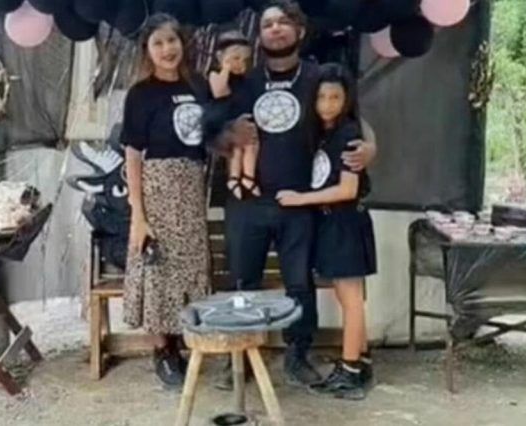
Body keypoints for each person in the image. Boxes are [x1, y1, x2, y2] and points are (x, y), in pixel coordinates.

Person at [205, 0, 377, 387]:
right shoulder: (243, 80)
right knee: (244, 282)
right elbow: (210, 134)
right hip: (247, 203)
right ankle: (239, 359)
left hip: (298, 203)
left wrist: (371, 149)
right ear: (259, 35)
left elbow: (355, 122)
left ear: (300, 31)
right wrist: (229, 134)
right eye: (267, 23)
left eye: (284, 22)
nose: (275, 28)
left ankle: (298, 355)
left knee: (299, 284)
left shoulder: (318, 77)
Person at [277, 63, 377, 400]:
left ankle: (350, 370)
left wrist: (299, 199)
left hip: (345, 222)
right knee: (347, 297)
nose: (327, 104)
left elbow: (348, 189)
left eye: (335, 97)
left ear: (347, 99)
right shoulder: (325, 133)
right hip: (332, 223)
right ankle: (360, 361)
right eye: (321, 97)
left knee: (351, 299)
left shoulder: (348, 134)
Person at [121, 13, 210, 388]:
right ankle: (163, 351)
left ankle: (187, 340)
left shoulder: (198, 86)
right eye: (158, 43)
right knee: (156, 266)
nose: (167, 49)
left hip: (191, 187)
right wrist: (138, 215)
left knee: (189, 267)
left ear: (181, 44)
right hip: (156, 188)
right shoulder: (140, 94)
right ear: (148, 51)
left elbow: (213, 134)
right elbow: (133, 155)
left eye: (171, 40)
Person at [207, 28, 260, 199]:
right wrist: (225, 68)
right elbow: (219, 91)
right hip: (228, 122)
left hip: (245, 118)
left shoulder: (245, 81)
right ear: (220, 57)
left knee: (251, 146)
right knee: (236, 149)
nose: (240, 64)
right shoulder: (215, 75)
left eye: (245, 60)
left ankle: (248, 177)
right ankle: (234, 177)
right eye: (235, 58)